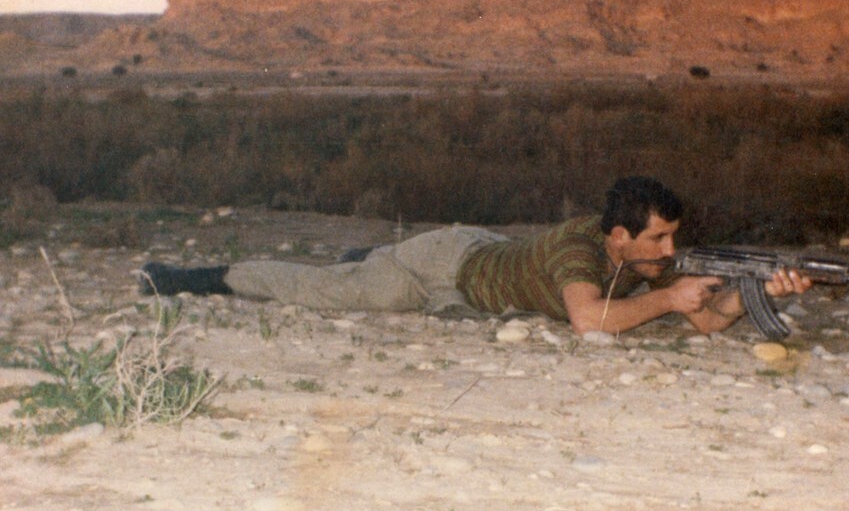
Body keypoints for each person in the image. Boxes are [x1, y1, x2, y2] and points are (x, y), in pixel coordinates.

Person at [140, 176, 811, 335]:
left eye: (673, 238)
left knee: (365, 270)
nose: (670, 251)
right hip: (443, 267)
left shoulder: (641, 258)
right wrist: (665, 298)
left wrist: (760, 296)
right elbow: (588, 321)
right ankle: (188, 278)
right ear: (616, 237)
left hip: (485, 261)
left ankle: (370, 253)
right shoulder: (579, 253)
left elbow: (705, 320)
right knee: (330, 292)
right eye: (658, 240)